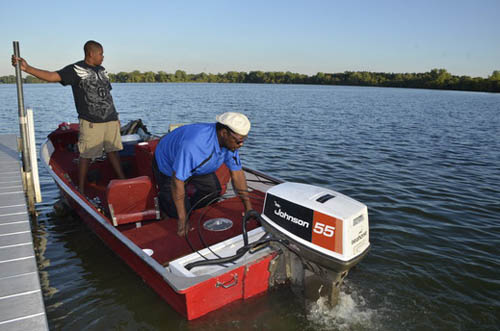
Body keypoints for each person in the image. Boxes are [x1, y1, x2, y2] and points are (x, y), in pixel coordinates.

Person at [12, 40, 125, 195]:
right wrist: (27, 68)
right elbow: (52, 76)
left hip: (110, 119)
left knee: (113, 150)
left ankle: (122, 178)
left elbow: (107, 95)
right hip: (91, 121)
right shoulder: (75, 69)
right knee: (86, 155)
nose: (103, 57)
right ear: (91, 53)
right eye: (101, 54)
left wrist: (116, 116)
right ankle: (81, 187)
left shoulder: (102, 70)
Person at [153, 112, 253, 237]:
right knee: (179, 211)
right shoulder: (195, 145)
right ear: (224, 133)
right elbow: (176, 180)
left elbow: (237, 174)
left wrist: (248, 208)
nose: (241, 145)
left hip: (198, 166)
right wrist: (183, 219)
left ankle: (190, 207)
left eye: (244, 140)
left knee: (213, 191)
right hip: (168, 163)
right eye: (238, 141)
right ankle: (167, 206)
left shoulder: (230, 144)